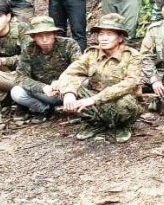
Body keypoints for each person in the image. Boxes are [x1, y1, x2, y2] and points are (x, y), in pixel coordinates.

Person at [49, 13, 143, 143]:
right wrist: (69, 93)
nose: (104, 38)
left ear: (120, 38)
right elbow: (70, 72)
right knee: (66, 89)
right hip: (96, 100)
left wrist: (95, 99)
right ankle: (95, 124)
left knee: (125, 102)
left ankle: (122, 126)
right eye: (101, 34)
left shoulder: (132, 55)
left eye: (109, 34)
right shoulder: (92, 53)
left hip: (117, 101)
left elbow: (130, 83)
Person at [9, 16, 82, 121]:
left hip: (69, 89)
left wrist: (63, 83)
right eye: (39, 36)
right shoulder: (29, 49)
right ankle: (44, 109)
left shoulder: (69, 45)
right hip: (45, 93)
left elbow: (79, 68)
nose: (44, 39)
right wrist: (42, 87)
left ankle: (75, 109)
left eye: (48, 34)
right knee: (16, 92)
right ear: (33, 37)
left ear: (54, 34)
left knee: (86, 82)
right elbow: (21, 77)